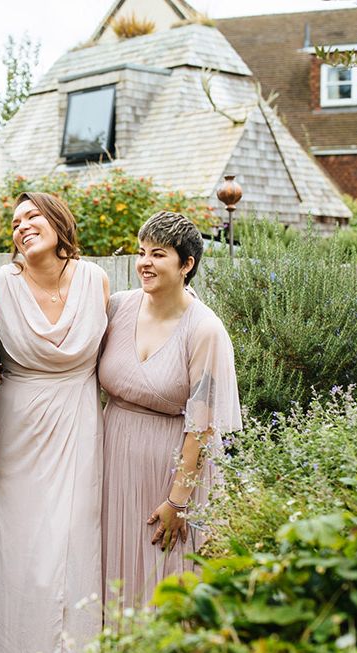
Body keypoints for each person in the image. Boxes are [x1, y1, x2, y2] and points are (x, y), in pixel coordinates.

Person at [0, 192, 110, 653]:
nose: (22, 225)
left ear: (58, 221)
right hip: (17, 438)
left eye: (32, 216)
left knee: (72, 551)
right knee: (20, 559)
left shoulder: (97, 279)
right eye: (14, 222)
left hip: (78, 432)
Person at [98, 211, 242, 609]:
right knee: (115, 578)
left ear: (187, 265)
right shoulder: (116, 308)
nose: (144, 262)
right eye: (141, 252)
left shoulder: (204, 330)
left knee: (165, 578)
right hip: (113, 461)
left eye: (158, 254)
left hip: (171, 474)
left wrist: (178, 501)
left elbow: (203, 426)